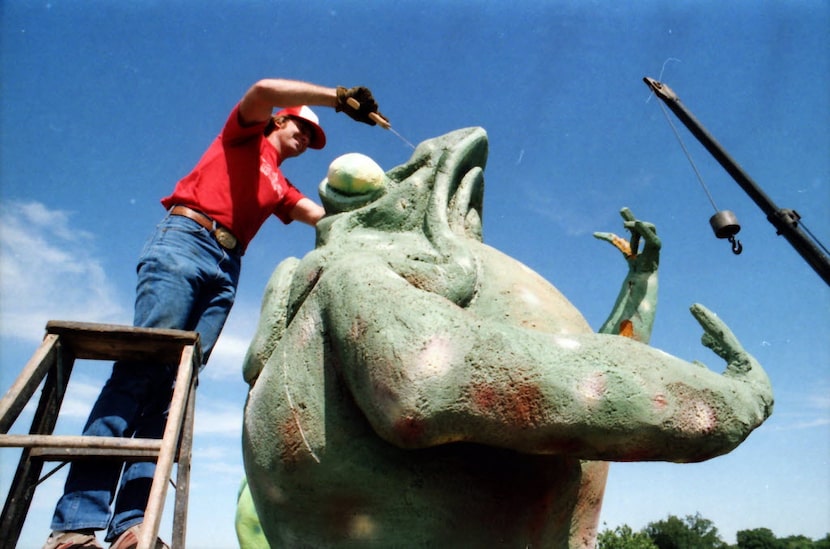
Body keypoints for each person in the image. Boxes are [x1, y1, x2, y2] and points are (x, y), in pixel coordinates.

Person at [43, 78, 385, 549]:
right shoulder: (243, 136)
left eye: (313, 137)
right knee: (138, 372)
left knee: (173, 393)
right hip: (185, 242)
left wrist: (385, 211)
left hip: (227, 269)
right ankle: (74, 526)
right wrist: (338, 99)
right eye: (302, 128)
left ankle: (131, 527)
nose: (306, 139)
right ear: (281, 120)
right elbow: (263, 88)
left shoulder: (281, 184)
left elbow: (323, 218)